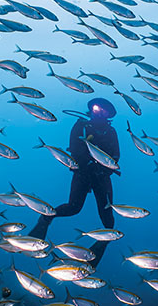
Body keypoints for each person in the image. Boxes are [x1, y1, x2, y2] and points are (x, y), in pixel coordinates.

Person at [28, 97, 120, 267]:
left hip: (102, 176)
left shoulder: (111, 131)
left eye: (104, 111)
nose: (99, 113)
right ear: (91, 110)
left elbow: (116, 155)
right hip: (82, 173)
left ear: (109, 114)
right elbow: (74, 149)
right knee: (73, 208)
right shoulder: (81, 126)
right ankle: (45, 219)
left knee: (108, 219)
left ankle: (99, 247)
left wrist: (105, 168)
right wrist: (86, 163)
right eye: (97, 109)